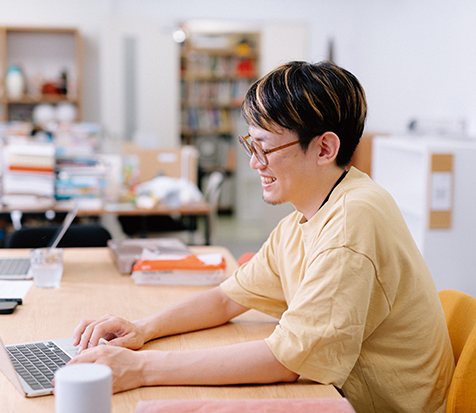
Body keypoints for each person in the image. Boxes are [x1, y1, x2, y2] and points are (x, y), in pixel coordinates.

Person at [70, 61, 455, 413]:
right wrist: (144, 328)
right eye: (251, 145)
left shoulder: (352, 221)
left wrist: (140, 368)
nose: (254, 162)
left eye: (265, 147)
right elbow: (226, 298)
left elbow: (286, 361)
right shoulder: (307, 215)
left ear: (324, 148)